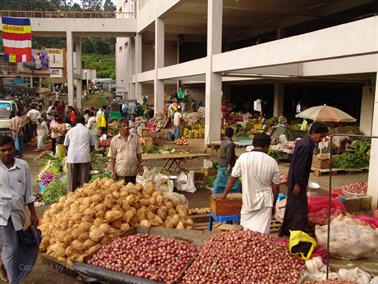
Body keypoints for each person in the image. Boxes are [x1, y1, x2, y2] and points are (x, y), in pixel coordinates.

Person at [218, 134, 280, 235]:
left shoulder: (243, 158)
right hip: (265, 203)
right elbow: (276, 187)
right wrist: (273, 204)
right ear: (266, 146)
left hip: (248, 202)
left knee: (246, 235)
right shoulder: (272, 162)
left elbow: (232, 178)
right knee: (262, 236)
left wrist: (224, 194)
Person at [0, 135, 39, 283]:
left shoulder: (23, 166)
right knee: (12, 247)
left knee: (10, 244)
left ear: (14, 149)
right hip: (2, 214)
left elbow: (28, 193)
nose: (6, 153)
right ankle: (15, 280)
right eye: (2, 150)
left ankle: (2, 266)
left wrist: (33, 214)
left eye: (9, 149)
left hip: (18, 214)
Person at [279, 122, 329, 237]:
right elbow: (300, 166)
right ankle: (299, 234)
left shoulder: (303, 141)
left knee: (291, 207)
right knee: (300, 210)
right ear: (315, 133)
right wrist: (298, 184)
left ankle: (285, 231)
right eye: (321, 136)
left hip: (295, 180)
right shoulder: (307, 145)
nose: (321, 139)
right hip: (298, 182)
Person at [64, 116, 96, 192]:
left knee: (72, 180)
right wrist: (88, 151)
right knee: (84, 181)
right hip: (84, 157)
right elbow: (92, 146)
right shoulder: (88, 131)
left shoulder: (71, 130)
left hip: (72, 157)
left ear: (75, 122)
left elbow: (65, 144)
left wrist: (70, 151)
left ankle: (70, 195)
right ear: (84, 122)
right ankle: (83, 197)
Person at [108, 118, 143, 184]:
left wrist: (141, 165)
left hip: (133, 172)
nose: (126, 127)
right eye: (124, 126)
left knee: (132, 192)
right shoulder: (114, 140)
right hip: (121, 173)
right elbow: (112, 157)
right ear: (119, 127)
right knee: (122, 192)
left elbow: (139, 153)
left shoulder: (135, 137)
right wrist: (112, 171)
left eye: (127, 125)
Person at [212, 127, 241, 194]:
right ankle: (236, 194)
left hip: (221, 164)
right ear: (232, 134)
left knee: (220, 181)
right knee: (235, 182)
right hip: (227, 166)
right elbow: (229, 156)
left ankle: (216, 192)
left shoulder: (223, 142)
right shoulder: (230, 144)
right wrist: (229, 166)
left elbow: (225, 153)